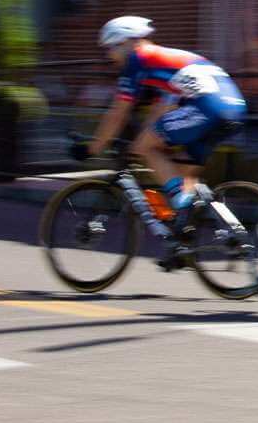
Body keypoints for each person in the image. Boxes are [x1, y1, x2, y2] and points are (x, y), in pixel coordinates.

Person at [77, 16, 248, 254]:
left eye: (109, 49)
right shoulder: (165, 61)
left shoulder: (138, 59)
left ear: (125, 42)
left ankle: (183, 209)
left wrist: (92, 148)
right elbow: (162, 110)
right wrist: (141, 140)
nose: (109, 56)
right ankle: (195, 239)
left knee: (148, 149)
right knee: (184, 176)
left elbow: (118, 111)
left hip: (207, 107)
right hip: (234, 108)